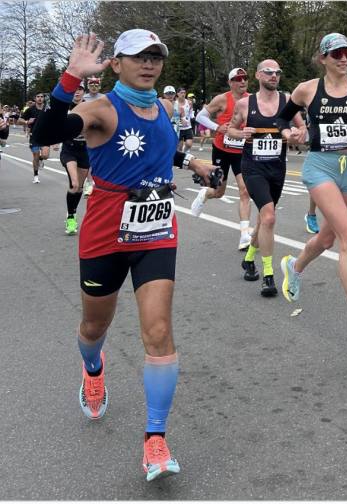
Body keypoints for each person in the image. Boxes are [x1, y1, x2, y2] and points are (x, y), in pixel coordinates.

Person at [31, 29, 215, 482]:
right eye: (138, 57)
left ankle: (155, 440)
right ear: (116, 64)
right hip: (105, 232)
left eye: (156, 56)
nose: (149, 64)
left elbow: (161, 148)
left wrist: (193, 164)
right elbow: (46, 132)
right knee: (95, 326)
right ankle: (93, 367)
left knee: (158, 331)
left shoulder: (164, 108)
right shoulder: (101, 110)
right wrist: (71, 78)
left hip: (155, 229)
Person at [275, 32, 347, 348]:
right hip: (321, 167)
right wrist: (292, 133)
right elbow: (280, 121)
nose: (343, 59)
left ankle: (294, 267)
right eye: (336, 54)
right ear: (323, 58)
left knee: (327, 238)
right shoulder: (307, 90)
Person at [228, 58, 306, 297]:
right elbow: (228, 130)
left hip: (277, 168)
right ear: (259, 76)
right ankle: (269, 275)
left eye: (277, 72)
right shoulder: (244, 104)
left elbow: (303, 130)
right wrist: (242, 133)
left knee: (265, 218)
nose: (274, 76)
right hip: (253, 168)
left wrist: (297, 134)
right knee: (270, 216)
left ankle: (249, 259)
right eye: (269, 72)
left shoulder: (287, 101)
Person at [194, 68, 253, 250]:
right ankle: (205, 194)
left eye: (245, 78)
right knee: (219, 192)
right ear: (230, 82)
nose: (242, 82)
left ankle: (244, 234)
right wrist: (217, 127)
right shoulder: (222, 99)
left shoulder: (252, 100)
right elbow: (200, 116)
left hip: (242, 152)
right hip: (222, 150)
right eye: (237, 79)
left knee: (245, 191)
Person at [60, 82, 91, 235]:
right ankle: (71, 218)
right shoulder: (64, 107)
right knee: (74, 183)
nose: (77, 92)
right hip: (68, 150)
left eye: (80, 89)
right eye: (74, 89)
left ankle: (71, 211)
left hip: (84, 151)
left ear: (83, 92)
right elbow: (53, 126)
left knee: (79, 188)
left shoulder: (89, 108)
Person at [21, 92, 49, 183]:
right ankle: (36, 176)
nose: (40, 98)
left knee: (45, 156)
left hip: (45, 136)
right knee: (35, 156)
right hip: (34, 136)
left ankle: (41, 159)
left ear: (44, 98)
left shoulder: (47, 109)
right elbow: (19, 120)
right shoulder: (30, 109)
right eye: (38, 97)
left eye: (42, 96)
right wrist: (27, 122)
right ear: (35, 98)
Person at [175, 88, 194, 152]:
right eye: (181, 93)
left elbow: (191, 112)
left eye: (184, 93)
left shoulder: (189, 102)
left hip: (188, 127)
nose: (183, 94)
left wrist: (192, 117)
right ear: (177, 94)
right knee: (179, 147)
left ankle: (184, 152)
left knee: (189, 144)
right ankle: (181, 156)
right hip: (178, 128)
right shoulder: (175, 103)